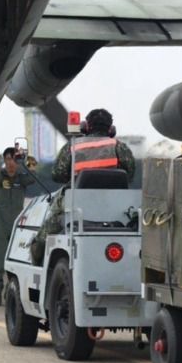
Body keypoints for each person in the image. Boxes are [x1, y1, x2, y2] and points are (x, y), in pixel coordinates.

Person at [34, 109, 136, 264]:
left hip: (77, 204)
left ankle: (37, 256)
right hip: (115, 205)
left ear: (86, 127)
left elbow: (57, 174)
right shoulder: (119, 147)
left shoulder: (74, 146)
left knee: (50, 225)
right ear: (111, 129)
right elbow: (129, 174)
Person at [0, 147, 36, 306]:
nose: (10, 163)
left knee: (18, 259)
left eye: (14, 159)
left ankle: (12, 288)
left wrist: (30, 163)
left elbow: (32, 178)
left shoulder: (21, 178)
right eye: (7, 159)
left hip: (17, 224)